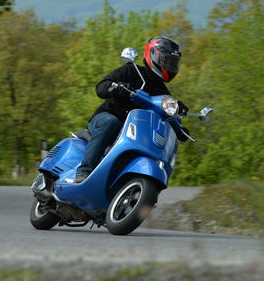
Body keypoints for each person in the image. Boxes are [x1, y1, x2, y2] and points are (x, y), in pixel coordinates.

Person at [74, 36, 188, 183]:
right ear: (152, 55)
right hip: (106, 118)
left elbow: (167, 113)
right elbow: (101, 87)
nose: (170, 66)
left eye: (173, 63)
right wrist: (117, 87)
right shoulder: (131, 71)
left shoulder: (162, 91)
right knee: (111, 122)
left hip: (133, 132)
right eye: (167, 61)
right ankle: (84, 171)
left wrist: (179, 127)